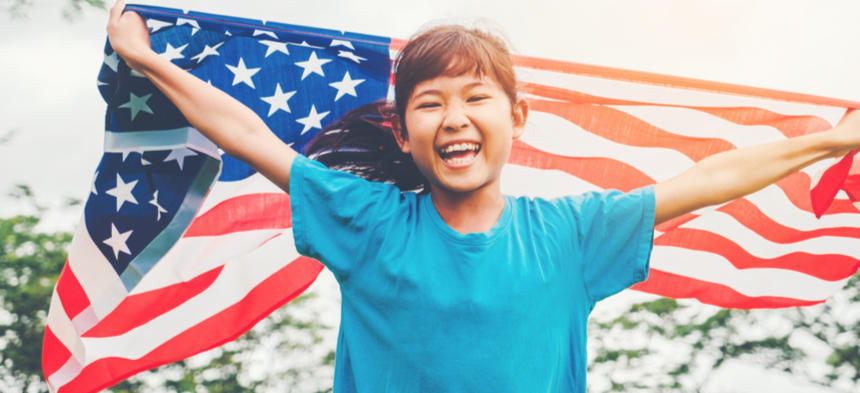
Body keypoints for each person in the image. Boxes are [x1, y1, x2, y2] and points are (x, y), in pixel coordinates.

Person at [106, 0, 860, 391]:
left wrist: (832, 141)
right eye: (430, 103)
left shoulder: (571, 232)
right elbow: (249, 135)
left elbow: (701, 181)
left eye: (476, 97)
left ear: (516, 118)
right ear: (403, 133)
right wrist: (146, 61)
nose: (455, 118)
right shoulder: (367, 223)